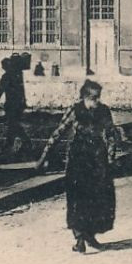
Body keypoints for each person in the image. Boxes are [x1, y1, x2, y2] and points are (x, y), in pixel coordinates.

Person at [37, 80, 126, 253]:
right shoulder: (75, 110)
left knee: (98, 198)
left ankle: (90, 235)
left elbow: (110, 135)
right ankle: (79, 238)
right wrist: (44, 156)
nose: (97, 101)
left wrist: (110, 157)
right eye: (93, 98)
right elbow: (58, 133)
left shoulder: (104, 111)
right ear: (84, 97)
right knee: (77, 198)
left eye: (98, 97)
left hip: (97, 159)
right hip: (78, 159)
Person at [0, 57, 30, 154]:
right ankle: (10, 143)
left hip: (11, 105)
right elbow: (21, 91)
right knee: (12, 125)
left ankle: (24, 142)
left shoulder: (6, 77)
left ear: (5, 67)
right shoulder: (18, 76)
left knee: (13, 124)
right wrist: (23, 103)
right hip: (19, 105)